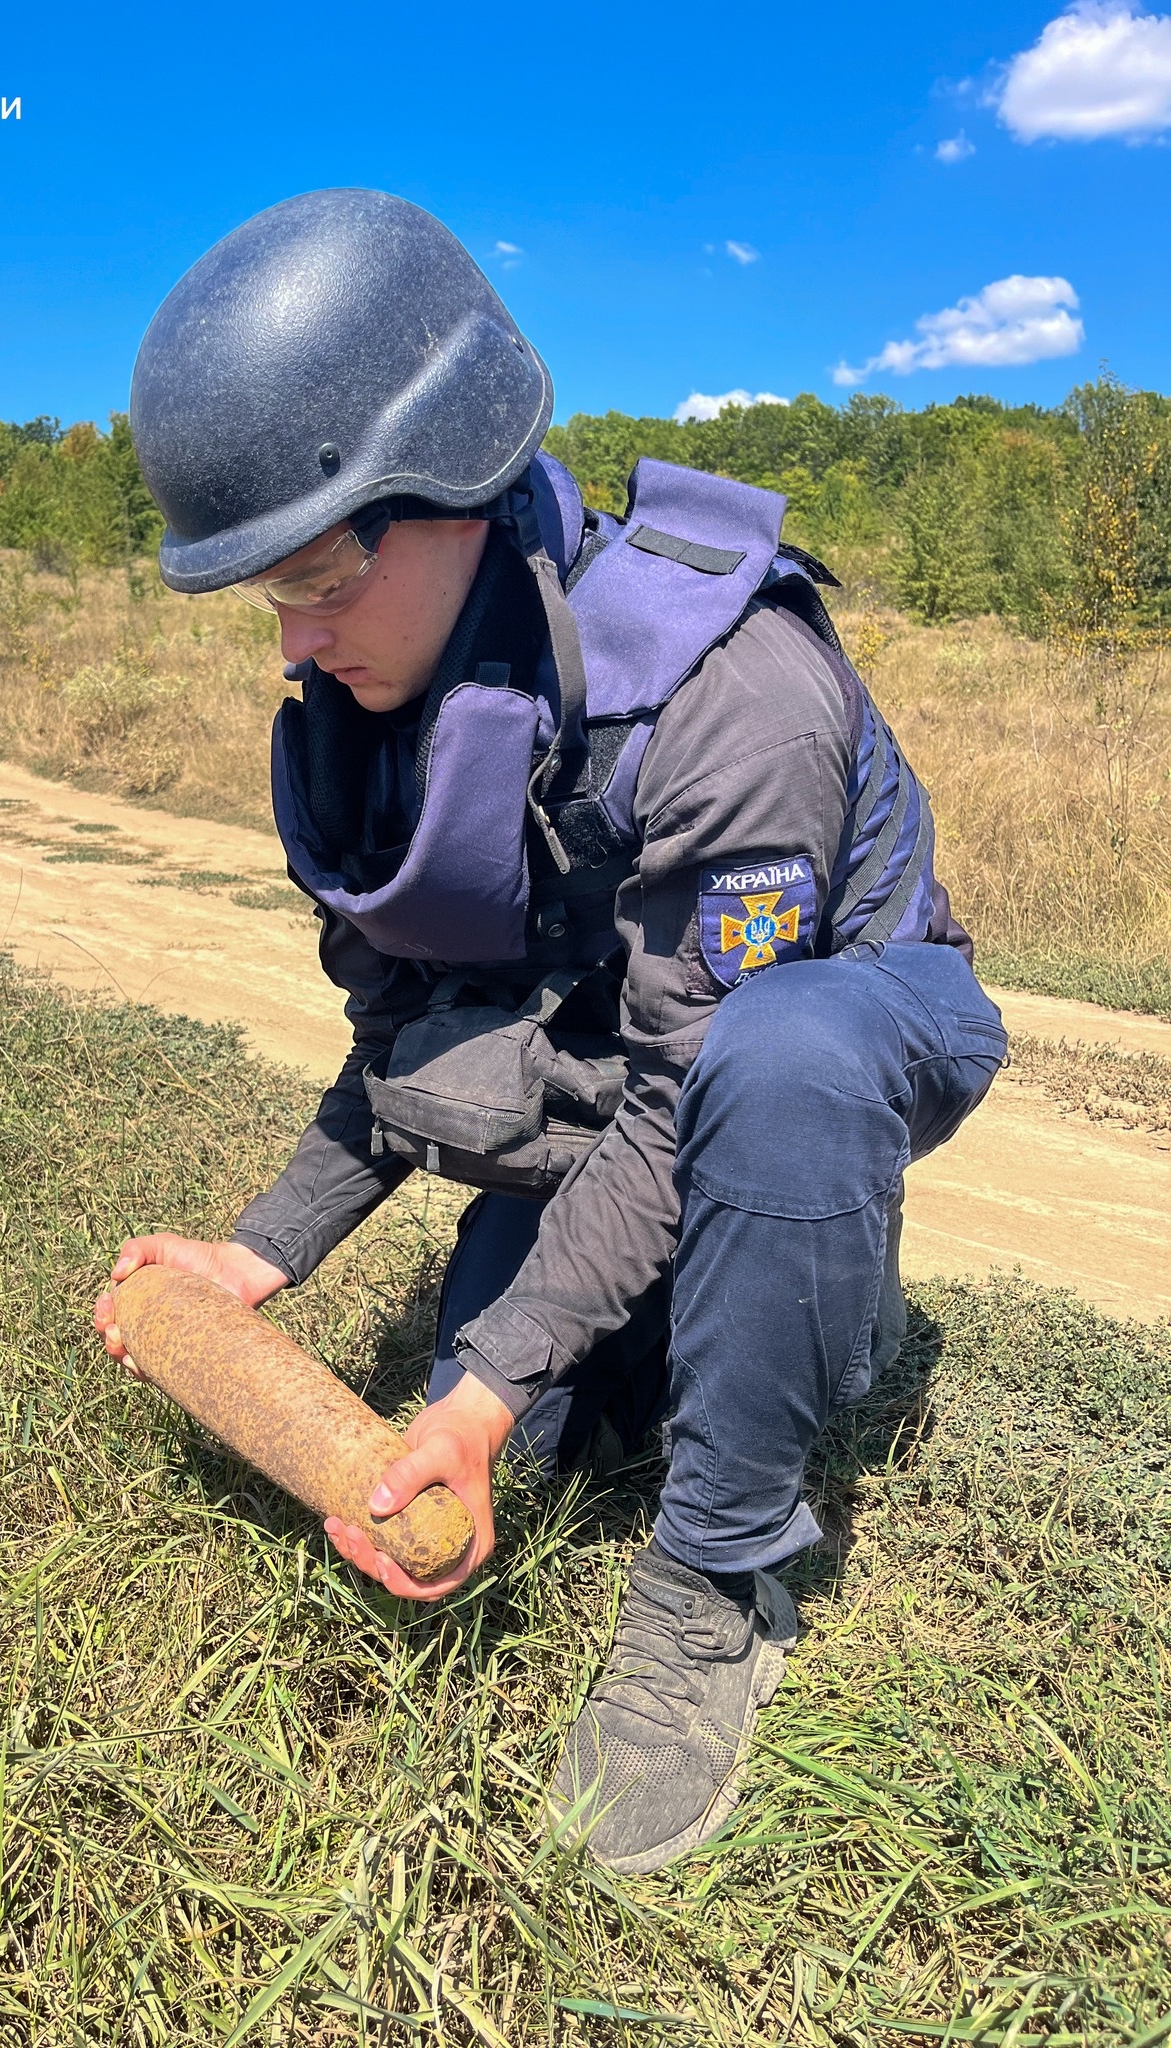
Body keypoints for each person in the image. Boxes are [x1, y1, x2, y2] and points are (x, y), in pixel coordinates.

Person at [93, 189, 1008, 1875]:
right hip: (632, 1054)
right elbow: (412, 1042)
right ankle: (762, 1318)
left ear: (457, 487)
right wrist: (254, 1264)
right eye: (260, 601)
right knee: (567, 1387)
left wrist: (487, 1392)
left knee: (777, 1067)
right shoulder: (375, 704)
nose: (292, 639)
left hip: (847, 1012)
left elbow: (686, 1086)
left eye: (315, 580)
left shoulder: (732, 686)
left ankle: (720, 1579)